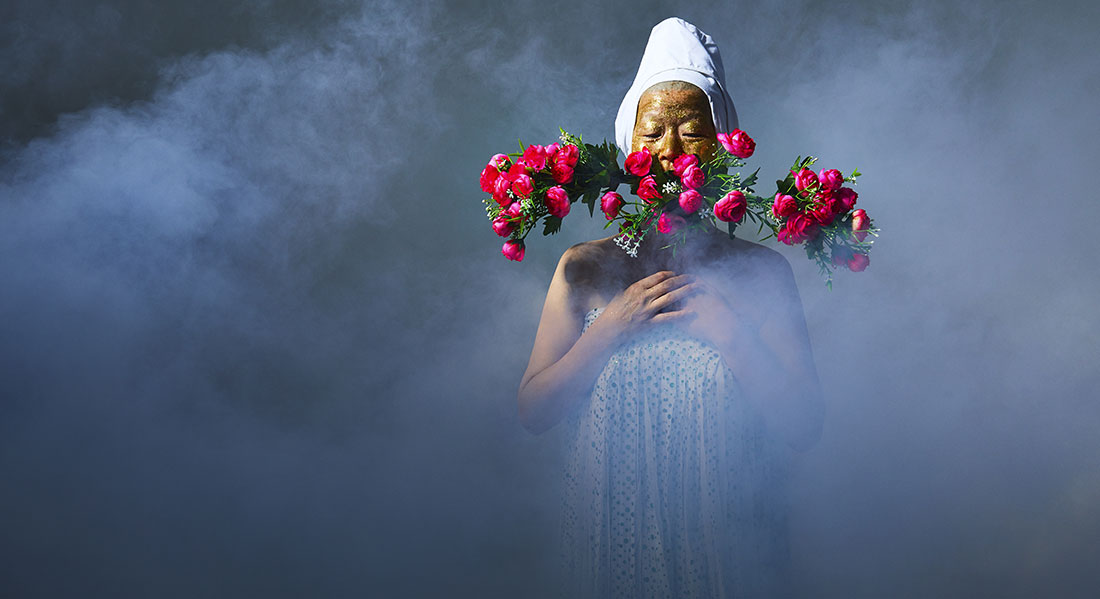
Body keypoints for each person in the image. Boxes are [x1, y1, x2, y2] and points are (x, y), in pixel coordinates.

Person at [517, 18, 825, 598]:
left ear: (723, 142)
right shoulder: (583, 268)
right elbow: (533, 411)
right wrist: (608, 329)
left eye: (691, 128)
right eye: (653, 131)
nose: (671, 151)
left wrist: (731, 333)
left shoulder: (763, 273)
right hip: (612, 539)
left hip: (730, 540)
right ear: (628, 147)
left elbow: (805, 425)